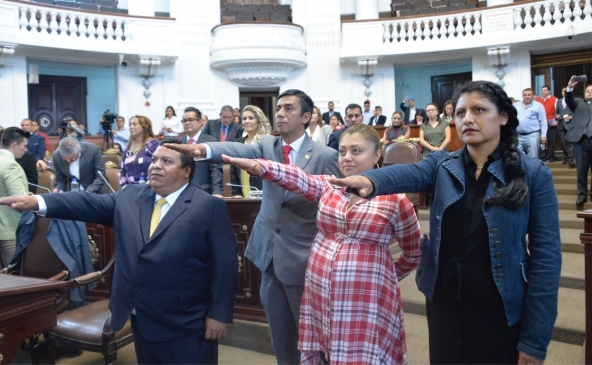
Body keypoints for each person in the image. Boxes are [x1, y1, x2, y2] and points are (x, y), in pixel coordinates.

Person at [329, 80, 561, 364]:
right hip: (445, 296)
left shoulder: (533, 173)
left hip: (499, 301)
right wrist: (369, 179)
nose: (467, 119)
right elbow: (407, 173)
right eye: (461, 112)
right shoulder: (442, 164)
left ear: (503, 116)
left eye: (478, 110)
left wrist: (535, 342)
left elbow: (546, 260)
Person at [0, 138, 239, 364]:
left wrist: (219, 314)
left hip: (187, 323)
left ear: (187, 172)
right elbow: (85, 203)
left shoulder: (208, 207)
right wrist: (37, 202)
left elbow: (225, 267)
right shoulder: (131, 197)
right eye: (154, 160)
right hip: (140, 317)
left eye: (167, 161)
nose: (156, 166)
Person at [165, 89, 341, 364]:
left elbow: (334, 206)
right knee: (281, 337)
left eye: (289, 109)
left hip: (304, 258)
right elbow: (238, 149)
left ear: (306, 117)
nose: (280, 113)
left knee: (312, 338)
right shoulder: (267, 146)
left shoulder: (325, 155)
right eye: (278, 108)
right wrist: (203, 149)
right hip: (269, 256)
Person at [222, 123, 421, 364]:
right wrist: (261, 167)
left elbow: (413, 253)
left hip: (365, 297)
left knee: (361, 354)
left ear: (377, 154)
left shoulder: (395, 199)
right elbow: (297, 177)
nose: (347, 157)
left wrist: (385, 275)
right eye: (342, 151)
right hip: (320, 290)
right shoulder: (330, 185)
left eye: (356, 151)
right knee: (324, 353)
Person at [0, 127, 29, 270]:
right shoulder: (11, 165)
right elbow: (20, 202)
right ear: (15, 145)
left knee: (0, 275)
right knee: (14, 275)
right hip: (10, 229)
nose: (26, 150)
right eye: (24, 146)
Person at [180, 107, 223, 196]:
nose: (187, 123)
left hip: (204, 191)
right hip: (181, 192)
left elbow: (216, 169)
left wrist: (217, 191)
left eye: (190, 120)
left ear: (200, 122)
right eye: (184, 121)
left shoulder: (210, 141)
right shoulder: (179, 143)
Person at [230, 105, 272, 198]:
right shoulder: (238, 143)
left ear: (259, 121)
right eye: (244, 118)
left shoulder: (267, 142)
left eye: (251, 118)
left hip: (264, 194)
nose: (247, 121)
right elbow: (233, 171)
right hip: (243, 192)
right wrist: (236, 193)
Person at [565, 76, 592, 205]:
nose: (590, 92)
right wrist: (570, 87)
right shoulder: (579, 103)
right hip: (582, 141)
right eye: (588, 91)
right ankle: (582, 195)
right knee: (581, 170)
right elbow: (569, 99)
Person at [120, 115, 159, 185]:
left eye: (134, 124)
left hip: (150, 187)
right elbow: (122, 170)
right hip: (130, 189)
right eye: (130, 125)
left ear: (145, 126)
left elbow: (159, 166)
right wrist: (125, 187)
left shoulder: (153, 144)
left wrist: (150, 184)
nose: (131, 127)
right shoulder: (128, 146)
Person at [516, 88, 547, 159]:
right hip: (519, 136)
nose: (527, 96)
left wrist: (543, 135)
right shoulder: (516, 105)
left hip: (533, 135)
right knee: (517, 157)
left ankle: (532, 170)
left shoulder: (538, 106)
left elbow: (543, 122)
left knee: (532, 158)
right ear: (522, 96)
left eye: (529, 95)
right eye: (525, 95)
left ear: (533, 95)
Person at [536, 85, 558, 162]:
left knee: (551, 140)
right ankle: (542, 156)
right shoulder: (538, 100)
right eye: (542, 90)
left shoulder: (554, 99)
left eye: (545, 90)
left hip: (551, 122)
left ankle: (551, 156)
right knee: (542, 141)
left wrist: (557, 121)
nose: (543, 92)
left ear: (549, 91)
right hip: (540, 123)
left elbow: (557, 111)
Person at [556, 87, 574, 165]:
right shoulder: (559, 101)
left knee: (570, 143)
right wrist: (556, 116)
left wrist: (572, 116)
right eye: (563, 91)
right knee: (563, 143)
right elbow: (556, 112)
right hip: (561, 124)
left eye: (566, 91)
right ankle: (566, 158)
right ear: (561, 92)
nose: (565, 92)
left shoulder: (573, 101)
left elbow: (577, 112)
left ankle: (571, 158)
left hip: (570, 124)